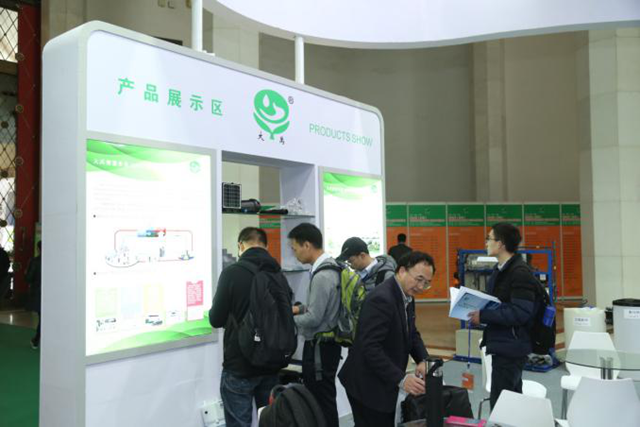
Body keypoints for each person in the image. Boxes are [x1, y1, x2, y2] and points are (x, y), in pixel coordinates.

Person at [338, 251, 434, 427]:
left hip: (383, 380)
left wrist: (423, 359)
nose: (421, 286)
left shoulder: (406, 295)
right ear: (402, 271)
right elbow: (369, 347)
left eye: (426, 283)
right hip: (367, 384)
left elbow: (411, 332)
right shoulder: (382, 299)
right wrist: (402, 379)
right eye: (418, 279)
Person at [209, 227, 283, 427]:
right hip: (271, 362)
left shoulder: (232, 273)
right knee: (271, 421)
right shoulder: (277, 273)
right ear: (266, 246)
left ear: (240, 246)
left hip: (240, 363)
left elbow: (216, 319)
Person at [468, 222, 537, 409]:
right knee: (511, 401)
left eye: (489, 239)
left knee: (501, 405)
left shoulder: (519, 273)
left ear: (501, 244)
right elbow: (497, 303)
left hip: (512, 347)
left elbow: (520, 312)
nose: (486, 243)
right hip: (503, 344)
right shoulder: (500, 270)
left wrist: (483, 316)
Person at [288, 223, 341, 427]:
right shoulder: (330, 267)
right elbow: (320, 308)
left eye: (295, 249)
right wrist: (298, 309)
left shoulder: (322, 276)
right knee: (324, 398)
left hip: (320, 349)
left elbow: (314, 318)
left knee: (321, 401)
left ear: (307, 245)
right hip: (328, 346)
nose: (294, 254)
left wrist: (287, 320)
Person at [26, 241, 41, 349]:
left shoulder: (35, 261)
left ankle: (36, 340)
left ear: (38, 249)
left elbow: (29, 278)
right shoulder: (54, 261)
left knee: (42, 318)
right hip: (52, 294)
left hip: (38, 293)